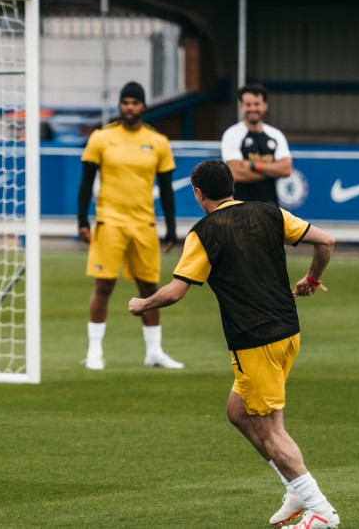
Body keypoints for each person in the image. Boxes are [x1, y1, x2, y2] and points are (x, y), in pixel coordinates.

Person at [128, 160, 339, 529]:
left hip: (255, 341)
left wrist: (142, 304)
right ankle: (294, 487)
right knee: (238, 412)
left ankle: (321, 510)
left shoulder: (204, 232)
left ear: (198, 194)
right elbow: (326, 241)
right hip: (288, 332)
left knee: (272, 431)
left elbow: (176, 292)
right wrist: (311, 278)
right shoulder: (269, 212)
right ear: (231, 186)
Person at [77, 81, 182, 370]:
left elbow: (167, 188)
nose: (129, 107)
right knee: (104, 285)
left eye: (135, 103)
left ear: (143, 107)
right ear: (120, 105)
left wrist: (171, 229)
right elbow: (85, 182)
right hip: (109, 221)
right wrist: (82, 221)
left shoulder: (157, 141)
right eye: (125, 102)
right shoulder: (101, 137)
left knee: (149, 286)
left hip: (144, 223)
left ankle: (154, 352)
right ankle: (94, 351)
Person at [221, 83, 293, 204]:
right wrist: (272, 170)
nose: (252, 108)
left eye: (257, 104)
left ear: (265, 106)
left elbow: (286, 169)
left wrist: (253, 165)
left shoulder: (276, 135)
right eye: (248, 105)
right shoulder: (232, 134)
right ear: (241, 106)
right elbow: (235, 173)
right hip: (240, 208)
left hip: (270, 208)